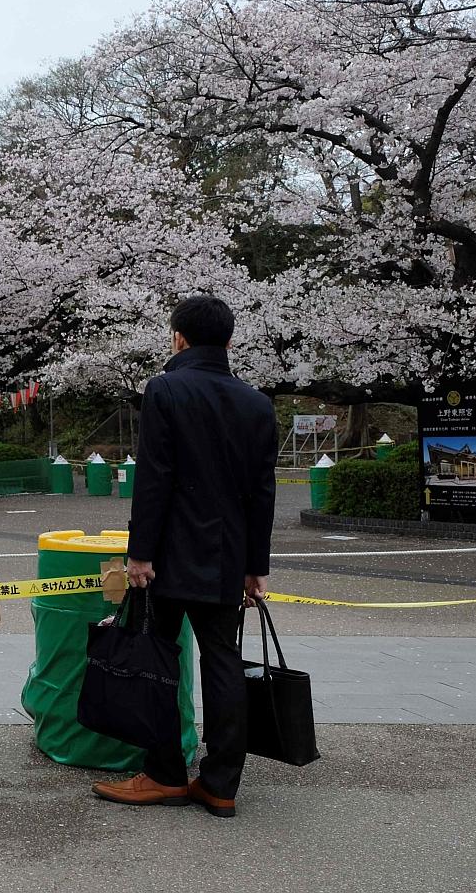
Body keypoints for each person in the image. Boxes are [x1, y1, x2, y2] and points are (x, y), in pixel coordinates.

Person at [91, 295, 278, 818]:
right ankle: (220, 783)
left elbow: (155, 478)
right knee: (222, 661)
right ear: (230, 341)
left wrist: (140, 555)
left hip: (168, 556)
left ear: (178, 338)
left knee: (157, 658)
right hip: (226, 558)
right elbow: (262, 493)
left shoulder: (166, 389)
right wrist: (254, 565)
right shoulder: (257, 403)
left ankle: (164, 774)